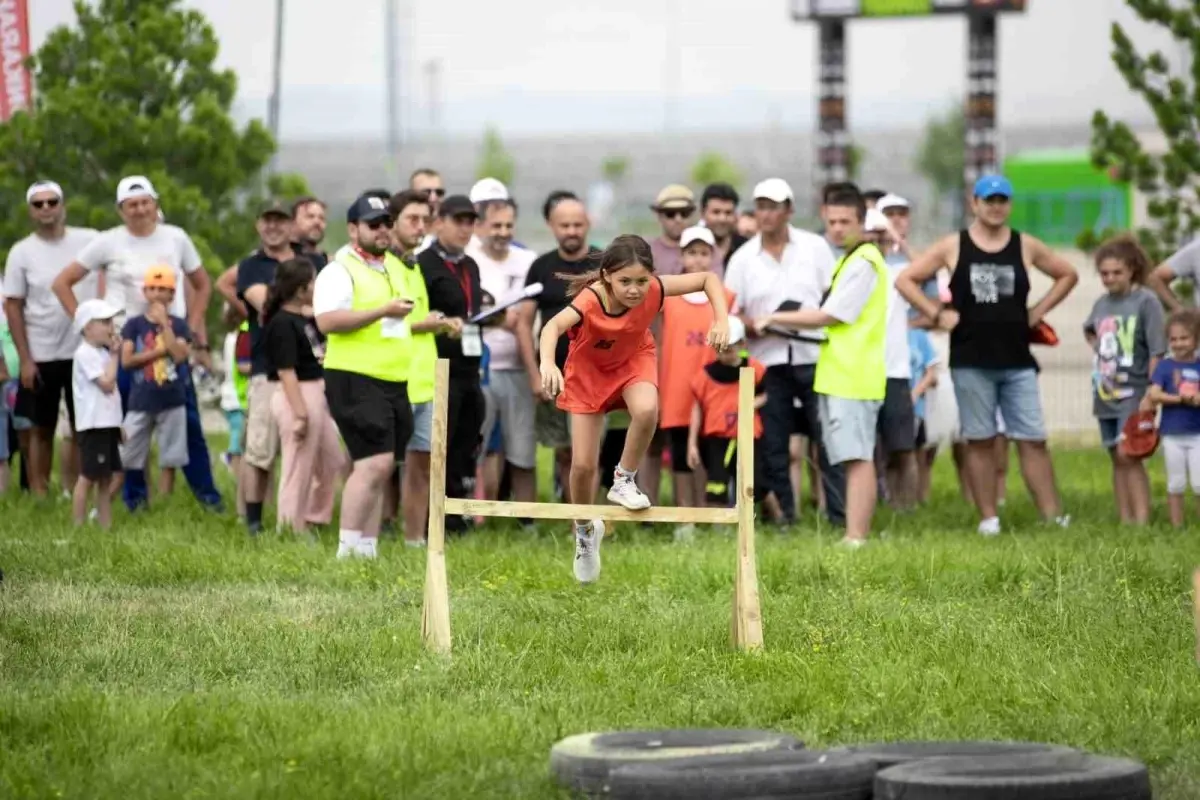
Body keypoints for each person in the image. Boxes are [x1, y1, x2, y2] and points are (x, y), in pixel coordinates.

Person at [538, 235, 729, 584]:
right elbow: (552, 326)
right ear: (607, 275)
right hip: (589, 372)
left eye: (642, 281)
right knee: (582, 465)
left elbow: (708, 279)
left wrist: (721, 319)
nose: (635, 290)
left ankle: (624, 479)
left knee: (646, 410)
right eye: (625, 281)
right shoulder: (591, 297)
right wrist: (548, 364)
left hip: (632, 359)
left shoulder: (655, 288)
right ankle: (584, 531)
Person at [894, 174, 1077, 536]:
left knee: (1033, 438)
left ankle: (1052, 515)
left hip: (1017, 359)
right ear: (974, 203)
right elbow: (906, 280)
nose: (995, 207)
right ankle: (988, 517)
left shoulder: (1025, 245)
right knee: (980, 439)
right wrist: (935, 314)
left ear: (1008, 205)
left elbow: (1067, 274)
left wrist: (1037, 312)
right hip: (971, 359)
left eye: (1002, 200)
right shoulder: (953, 246)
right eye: (988, 200)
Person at [53, 175, 221, 512]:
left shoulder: (176, 238)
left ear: (155, 204)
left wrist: (193, 325)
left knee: (187, 423)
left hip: (170, 343)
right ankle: (135, 500)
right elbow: (62, 283)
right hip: (126, 343)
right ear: (120, 210)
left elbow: (202, 284)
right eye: (131, 204)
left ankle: (208, 499)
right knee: (128, 428)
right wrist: (86, 324)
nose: (140, 209)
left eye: (145, 202)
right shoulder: (108, 242)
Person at [755, 198, 892, 547]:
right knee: (850, 457)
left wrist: (775, 318)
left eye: (845, 220)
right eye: (832, 221)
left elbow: (831, 315)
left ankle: (856, 535)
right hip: (841, 374)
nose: (837, 228)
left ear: (862, 221)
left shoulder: (864, 261)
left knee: (858, 457)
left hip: (855, 376)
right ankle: (853, 531)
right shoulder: (849, 260)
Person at [724, 178, 841, 526]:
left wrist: (799, 317)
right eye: (760, 206)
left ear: (789, 210)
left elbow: (832, 296)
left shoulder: (815, 247)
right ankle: (785, 518)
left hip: (816, 357)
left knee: (828, 438)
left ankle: (837, 515)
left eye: (774, 206)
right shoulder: (742, 258)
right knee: (774, 443)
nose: (766, 213)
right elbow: (731, 311)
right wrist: (755, 321)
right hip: (768, 360)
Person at [315, 194, 416, 559]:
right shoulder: (339, 269)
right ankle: (347, 548)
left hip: (392, 378)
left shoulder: (391, 265)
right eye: (374, 224)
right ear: (353, 228)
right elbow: (327, 321)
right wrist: (381, 311)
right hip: (353, 375)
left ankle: (367, 549)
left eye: (387, 222)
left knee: (382, 465)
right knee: (372, 463)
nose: (383, 230)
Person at [3, 180, 99, 497]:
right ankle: (40, 494)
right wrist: (25, 359)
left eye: (52, 202)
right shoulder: (22, 252)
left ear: (63, 205)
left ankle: (77, 490)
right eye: (38, 204)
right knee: (39, 428)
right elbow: (13, 305)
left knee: (82, 427)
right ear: (31, 211)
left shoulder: (90, 241)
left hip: (83, 351)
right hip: (41, 353)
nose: (46, 208)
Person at [517, 196, 600, 499]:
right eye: (564, 225)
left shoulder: (603, 264)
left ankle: (593, 517)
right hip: (555, 375)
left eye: (577, 224)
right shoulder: (540, 267)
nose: (571, 231)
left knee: (589, 452)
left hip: (595, 376)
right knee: (565, 451)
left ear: (588, 224)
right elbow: (524, 323)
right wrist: (534, 374)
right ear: (552, 226)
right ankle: (575, 519)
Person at [232, 200, 304, 534]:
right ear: (258, 225)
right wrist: (310, 307)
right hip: (268, 367)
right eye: (267, 220)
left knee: (308, 449)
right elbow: (269, 304)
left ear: (292, 225)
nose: (274, 227)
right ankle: (254, 522)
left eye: (281, 220)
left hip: (313, 370)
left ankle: (301, 520)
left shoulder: (311, 259)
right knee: (260, 450)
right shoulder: (251, 266)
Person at [263, 258, 347, 535]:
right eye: (313, 282)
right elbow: (286, 372)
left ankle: (313, 518)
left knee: (332, 458)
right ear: (300, 289)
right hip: (297, 395)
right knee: (297, 466)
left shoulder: (304, 319)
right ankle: (289, 527)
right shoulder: (282, 324)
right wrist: (300, 414)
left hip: (317, 393)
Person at [1085, 235, 1165, 526]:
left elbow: (1157, 349)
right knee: (1115, 456)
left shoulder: (1146, 302)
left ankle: (1142, 518)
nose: (1109, 279)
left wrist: (1151, 392)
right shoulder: (1102, 304)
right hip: (1105, 390)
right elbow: (1090, 330)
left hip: (1134, 390)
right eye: (1104, 273)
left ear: (1131, 269)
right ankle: (1125, 519)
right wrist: (1099, 349)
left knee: (1129, 453)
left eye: (1116, 272)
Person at [417, 194, 486, 531]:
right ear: (438, 221)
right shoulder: (422, 263)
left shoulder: (469, 265)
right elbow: (419, 314)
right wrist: (442, 321)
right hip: (439, 366)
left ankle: (457, 513)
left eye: (470, 221)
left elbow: (471, 310)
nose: (465, 228)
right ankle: (432, 516)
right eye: (458, 220)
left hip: (470, 364)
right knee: (438, 444)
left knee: (466, 440)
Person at [659, 226, 736, 513]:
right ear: (682, 256)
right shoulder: (667, 298)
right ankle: (684, 513)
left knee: (710, 451)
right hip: (677, 387)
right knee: (680, 453)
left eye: (704, 253)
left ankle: (709, 509)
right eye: (692, 253)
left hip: (713, 389)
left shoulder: (725, 297)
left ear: (713, 256)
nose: (698, 260)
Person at [467, 197, 538, 507]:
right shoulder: (469, 262)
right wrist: (501, 319)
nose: (503, 231)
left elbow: (529, 313)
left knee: (522, 449)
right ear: (480, 226)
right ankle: (468, 511)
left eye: (509, 225)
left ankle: (526, 520)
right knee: (473, 447)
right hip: (478, 369)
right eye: (496, 225)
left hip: (520, 367)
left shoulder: (528, 262)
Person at [388, 189, 447, 548]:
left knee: (421, 466)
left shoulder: (414, 265)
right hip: (393, 379)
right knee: (377, 465)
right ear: (391, 222)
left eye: (425, 220)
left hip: (425, 381)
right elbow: (380, 323)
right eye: (412, 219)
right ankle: (363, 537)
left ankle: (414, 540)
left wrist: (436, 323)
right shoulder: (384, 266)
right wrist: (424, 324)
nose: (420, 226)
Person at [685, 317, 777, 518]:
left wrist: (751, 403)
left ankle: (779, 519)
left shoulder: (755, 369)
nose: (722, 355)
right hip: (717, 437)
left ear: (742, 344)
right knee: (716, 482)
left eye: (727, 349)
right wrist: (692, 443)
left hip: (748, 436)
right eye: (718, 349)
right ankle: (717, 529)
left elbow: (765, 394)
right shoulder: (706, 374)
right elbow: (697, 408)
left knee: (756, 481)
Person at [118, 266, 192, 500]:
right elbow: (127, 360)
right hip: (140, 400)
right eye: (153, 288)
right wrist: (160, 352)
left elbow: (180, 355)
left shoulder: (179, 325)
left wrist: (164, 325)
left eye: (164, 289)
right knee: (128, 455)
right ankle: (134, 498)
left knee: (170, 458)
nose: (158, 293)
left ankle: (163, 505)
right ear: (145, 292)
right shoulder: (133, 325)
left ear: (172, 294)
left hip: (172, 399)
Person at [70, 299, 124, 528]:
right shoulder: (85, 354)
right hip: (94, 425)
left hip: (106, 423)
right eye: (104, 322)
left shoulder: (100, 353)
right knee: (88, 476)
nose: (111, 327)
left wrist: (117, 424)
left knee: (105, 477)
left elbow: (113, 395)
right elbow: (107, 384)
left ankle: (105, 525)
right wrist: (115, 356)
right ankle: (78, 525)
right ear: (87, 327)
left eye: (111, 321)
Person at [1149, 311, 1200, 527]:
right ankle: (1176, 525)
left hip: (1197, 434)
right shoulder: (1165, 367)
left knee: (1199, 483)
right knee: (1175, 482)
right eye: (1173, 339)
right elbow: (1154, 394)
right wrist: (1180, 398)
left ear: (1196, 339)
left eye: (1184, 338)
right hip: (1172, 434)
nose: (1178, 344)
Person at [219, 307, 251, 519]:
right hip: (240, 399)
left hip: (231, 397)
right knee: (239, 445)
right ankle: (231, 460)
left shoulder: (232, 335)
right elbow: (243, 367)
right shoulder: (246, 331)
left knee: (240, 442)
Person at [908, 325, 939, 503]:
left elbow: (931, 374)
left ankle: (917, 497)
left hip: (917, 406)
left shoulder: (919, 335)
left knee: (918, 453)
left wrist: (915, 393)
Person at [648, 184, 696, 278]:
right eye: (670, 214)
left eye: (684, 213)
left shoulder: (707, 249)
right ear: (659, 216)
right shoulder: (646, 252)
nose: (678, 219)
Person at [700, 183, 748, 269]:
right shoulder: (690, 247)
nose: (722, 219)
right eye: (716, 212)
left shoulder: (746, 249)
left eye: (728, 213)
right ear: (703, 214)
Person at [290, 196, 330, 272]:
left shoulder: (324, 261)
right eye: (310, 217)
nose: (317, 222)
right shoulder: (283, 258)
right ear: (293, 223)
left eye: (322, 218)